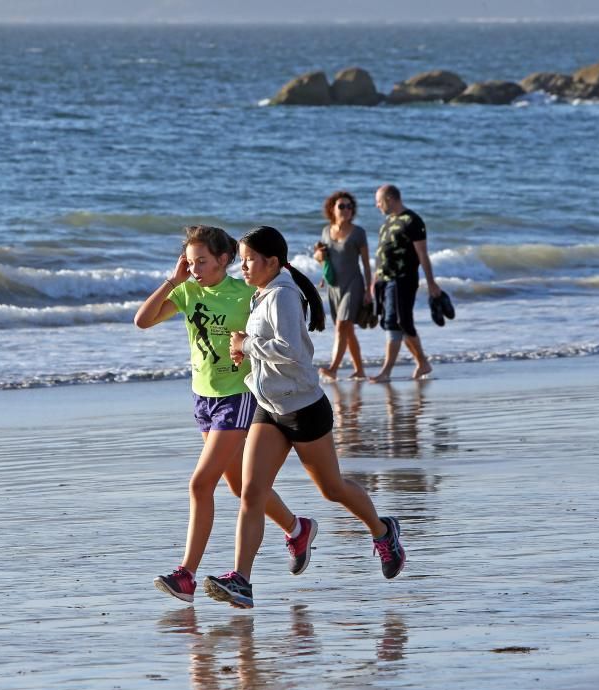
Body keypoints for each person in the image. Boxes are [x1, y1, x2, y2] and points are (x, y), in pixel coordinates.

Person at [204, 225, 405, 610]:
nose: (242, 267)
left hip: (303, 409)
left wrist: (247, 344)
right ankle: (241, 580)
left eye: (248, 260)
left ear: (272, 262)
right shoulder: (262, 293)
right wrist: (246, 354)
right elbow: (272, 350)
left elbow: (292, 353)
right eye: (241, 260)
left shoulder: (282, 295)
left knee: (332, 489)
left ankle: (383, 531)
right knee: (251, 492)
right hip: (270, 408)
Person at [134, 225, 317, 604]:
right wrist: (173, 281)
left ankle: (186, 575)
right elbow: (143, 320)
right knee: (237, 486)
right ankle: (297, 529)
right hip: (204, 398)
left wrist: (254, 349)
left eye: (202, 261)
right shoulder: (187, 291)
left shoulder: (246, 293)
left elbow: (281, 322)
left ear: (224, 259)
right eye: (190, 262)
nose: (195, 268)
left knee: (200, 483)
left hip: (239, 396)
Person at [369, 185, 441, 382]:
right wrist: (374, 281)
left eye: (379, 201)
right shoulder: (387, 223)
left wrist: (431, 283)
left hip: (403, 280)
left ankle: (387, 371)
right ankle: (422, 363)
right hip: (384, 281)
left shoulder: (412, 221)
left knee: (401, 323)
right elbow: (381, 255)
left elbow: (422, 254)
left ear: (390, 199)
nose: (377, 205)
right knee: (392, 323)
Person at [313, 191, 372, 381]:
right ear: (332, 208)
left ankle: (333, 368)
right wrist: (322, 268)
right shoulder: (325, 231)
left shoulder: (358, 232)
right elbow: (324, 259)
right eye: (342, 206)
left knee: (341, 326)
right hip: (333, 286)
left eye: (349, 206)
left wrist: (369, 289)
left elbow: (365, 262)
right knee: (348, 330)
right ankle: (360, 370)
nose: (346, 210)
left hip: (353, 283)